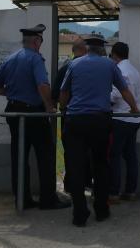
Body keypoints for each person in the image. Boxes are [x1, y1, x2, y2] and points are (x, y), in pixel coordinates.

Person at [0, 23, 70, 210]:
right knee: (45, 156)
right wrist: (49, 106)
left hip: (14, 112)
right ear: (36, 41)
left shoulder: (10, 59)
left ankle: (22, 199)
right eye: (40, 40)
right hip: (33, 113)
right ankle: (48, 199)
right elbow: (42, 85)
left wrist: (10, 94)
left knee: (19, 157)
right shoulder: (35, 59)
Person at [59, 36, 140, 227]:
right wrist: (134, 109)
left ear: (87, 49)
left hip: (76, 121)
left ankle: (80, 214)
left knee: (76, 167)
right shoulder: (109, 66)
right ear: (102, 49)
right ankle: (102, 210)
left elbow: (64, 92)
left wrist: (63, 109)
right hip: (100, 122)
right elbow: (125, 90)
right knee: (101, 166)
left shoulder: (74, 64)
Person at [52, 37, 88, 193]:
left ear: (73, 51)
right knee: (89, 152)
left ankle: (71, 185)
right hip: (90, 115)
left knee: (71, 153)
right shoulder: (92, 67)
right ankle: (87, 182)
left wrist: (62, 107)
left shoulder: (64, 68)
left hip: (69, 116)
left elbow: (55, 94)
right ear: (85, 50)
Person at [108, 41, 140, 203]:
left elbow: (115, 95)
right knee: (130, 156)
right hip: (135, 119)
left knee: (114, 156)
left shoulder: (120, 70)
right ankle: (130, 191)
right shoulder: (135, 71)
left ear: (114, 55)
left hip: (120, 118)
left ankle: (113, 192)